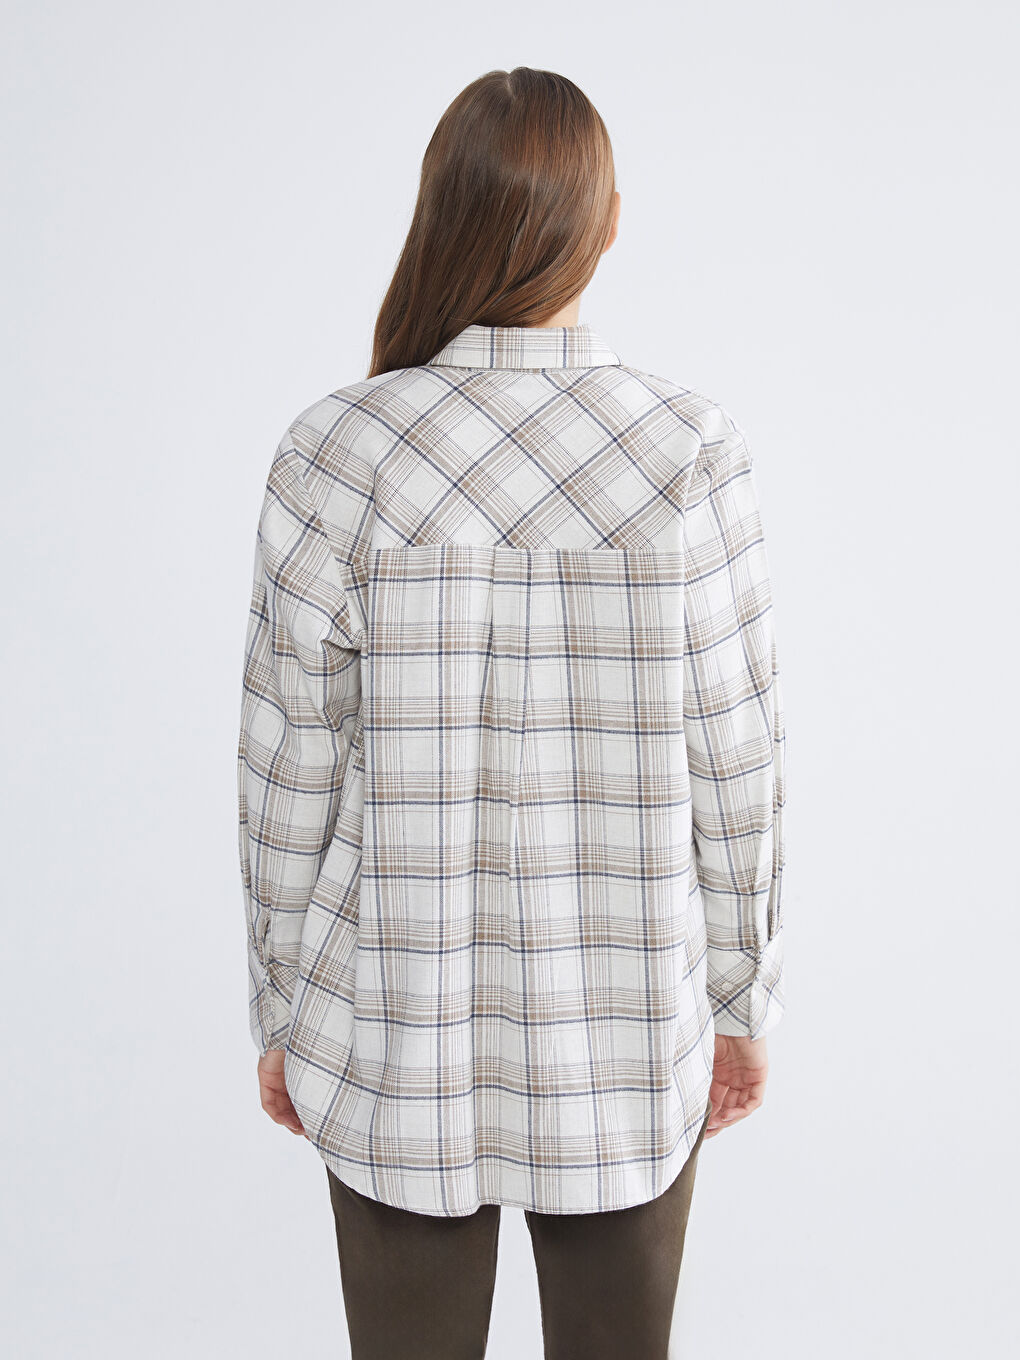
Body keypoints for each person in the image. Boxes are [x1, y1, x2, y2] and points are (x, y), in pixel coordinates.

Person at [236, 64, 786, 1360]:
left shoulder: (337, 448)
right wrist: (741, 997)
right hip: (629, 1041)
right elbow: (738, 757)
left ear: (441, 217)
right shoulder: (688, 450)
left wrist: (281, 1009)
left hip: (389, 1029)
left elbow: (286, 769)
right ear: (607, 224)